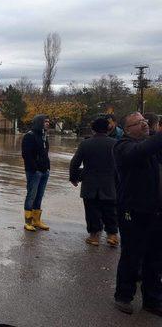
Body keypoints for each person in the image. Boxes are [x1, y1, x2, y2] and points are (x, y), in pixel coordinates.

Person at [113, 112, 162, 316]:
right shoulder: (122, 146)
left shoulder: (151, 145)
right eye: (139, 123)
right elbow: (140, 151)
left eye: (145, 122)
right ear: (127, 129)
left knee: (155, 258)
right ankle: (123, 296)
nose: (144, 125)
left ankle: (152, 300)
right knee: (132, 255)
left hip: (155, 211)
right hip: (132, 211)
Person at [69, 118, 118, 246]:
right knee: (110, 210)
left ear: (93, 129)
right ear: (108, 129)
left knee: (92, 210)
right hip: (109, 184)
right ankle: (112, 235)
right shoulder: (115, 144)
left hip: (90, 183)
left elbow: (75, 163)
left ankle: (94, 236)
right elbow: (121, 165)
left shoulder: (86, 144)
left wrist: (74, 178)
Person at [21, 114, 51, 231]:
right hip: (34, 172)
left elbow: (45, 153)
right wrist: (35, 169)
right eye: (45, 121)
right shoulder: (29, 136)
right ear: (39, 122)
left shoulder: (44, 136)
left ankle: (36, 220)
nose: (47, 123)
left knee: (39, 196)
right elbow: (26, 155)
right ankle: (28, 221)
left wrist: (47, 167)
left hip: (45, 171)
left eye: (48, 121)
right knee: (31, 196)